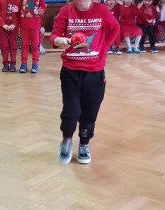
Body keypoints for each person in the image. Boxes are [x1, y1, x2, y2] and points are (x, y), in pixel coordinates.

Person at [49, 0, 119, 164]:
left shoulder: (101, 10)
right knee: (71, 112)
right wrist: (60, 41)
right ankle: (66, 140)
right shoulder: (66, 11)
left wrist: (104, 49)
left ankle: (83, 144)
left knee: (90, 112)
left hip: (94, 73)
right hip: (70, 72)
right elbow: (54, 35)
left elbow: (115, 28)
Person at [16, 0, 46, 73]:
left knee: (35, 46)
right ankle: (23, 64)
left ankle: (35, 64)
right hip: (24, 25)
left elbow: (43, 7)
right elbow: (18, 7)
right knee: (24, 45)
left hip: (35, 25)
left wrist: (41, 11)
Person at [0, 0, 20, 72]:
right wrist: (3, 24)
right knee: (4, 46)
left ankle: (13, 64)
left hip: (13, 28)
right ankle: (5, 64)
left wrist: (14, 24)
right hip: (2, 28)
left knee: (13, 46)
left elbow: (19, 14)